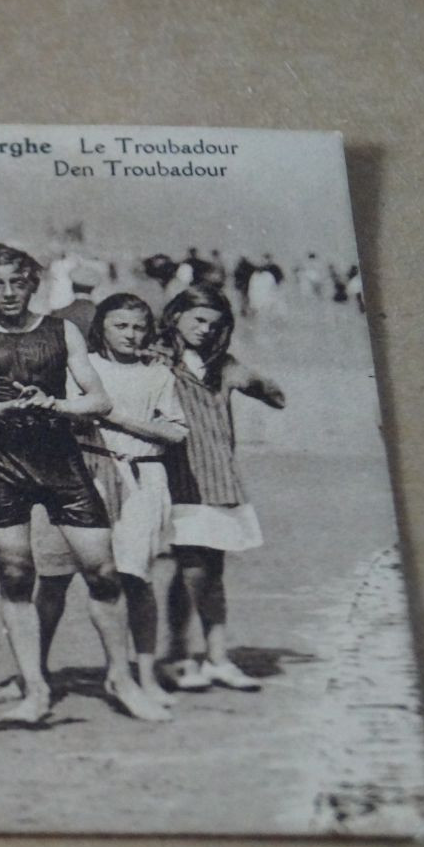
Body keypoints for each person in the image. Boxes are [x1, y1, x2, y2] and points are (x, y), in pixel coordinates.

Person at [0, 244, 169, 725]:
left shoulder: (60, 330)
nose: (7, 293)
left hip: (59, 458)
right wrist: (4, 408)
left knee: (103, 573)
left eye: (17, 283)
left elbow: (98, 400)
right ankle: (35, 690)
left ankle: (120, 680)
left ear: (33, 284)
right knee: (18, 576)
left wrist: (55, 405)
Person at [159, 284, 286, 690]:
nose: (204, 330)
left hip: (218, 479)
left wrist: (254, 382)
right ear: (175, 316)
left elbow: (277, 397)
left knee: (210, 570)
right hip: (179, 479)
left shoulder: (222, 365)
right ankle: (180, 655)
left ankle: (214, 656)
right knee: (192, 568)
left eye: (214, 325)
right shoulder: (157, 361)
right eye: (197, 320)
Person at [69, 294, 188, 705]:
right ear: (102, 325)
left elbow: (176, 432)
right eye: (121, 326)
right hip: (93, 474)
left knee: (137, 578)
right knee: (99, 577)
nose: (131, 334)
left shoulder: (158, 375)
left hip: (144, 478)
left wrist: (119, 419)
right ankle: (113, 673)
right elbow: (73, 415)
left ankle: (146, 675)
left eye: (138, 327)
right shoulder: (87, 368)